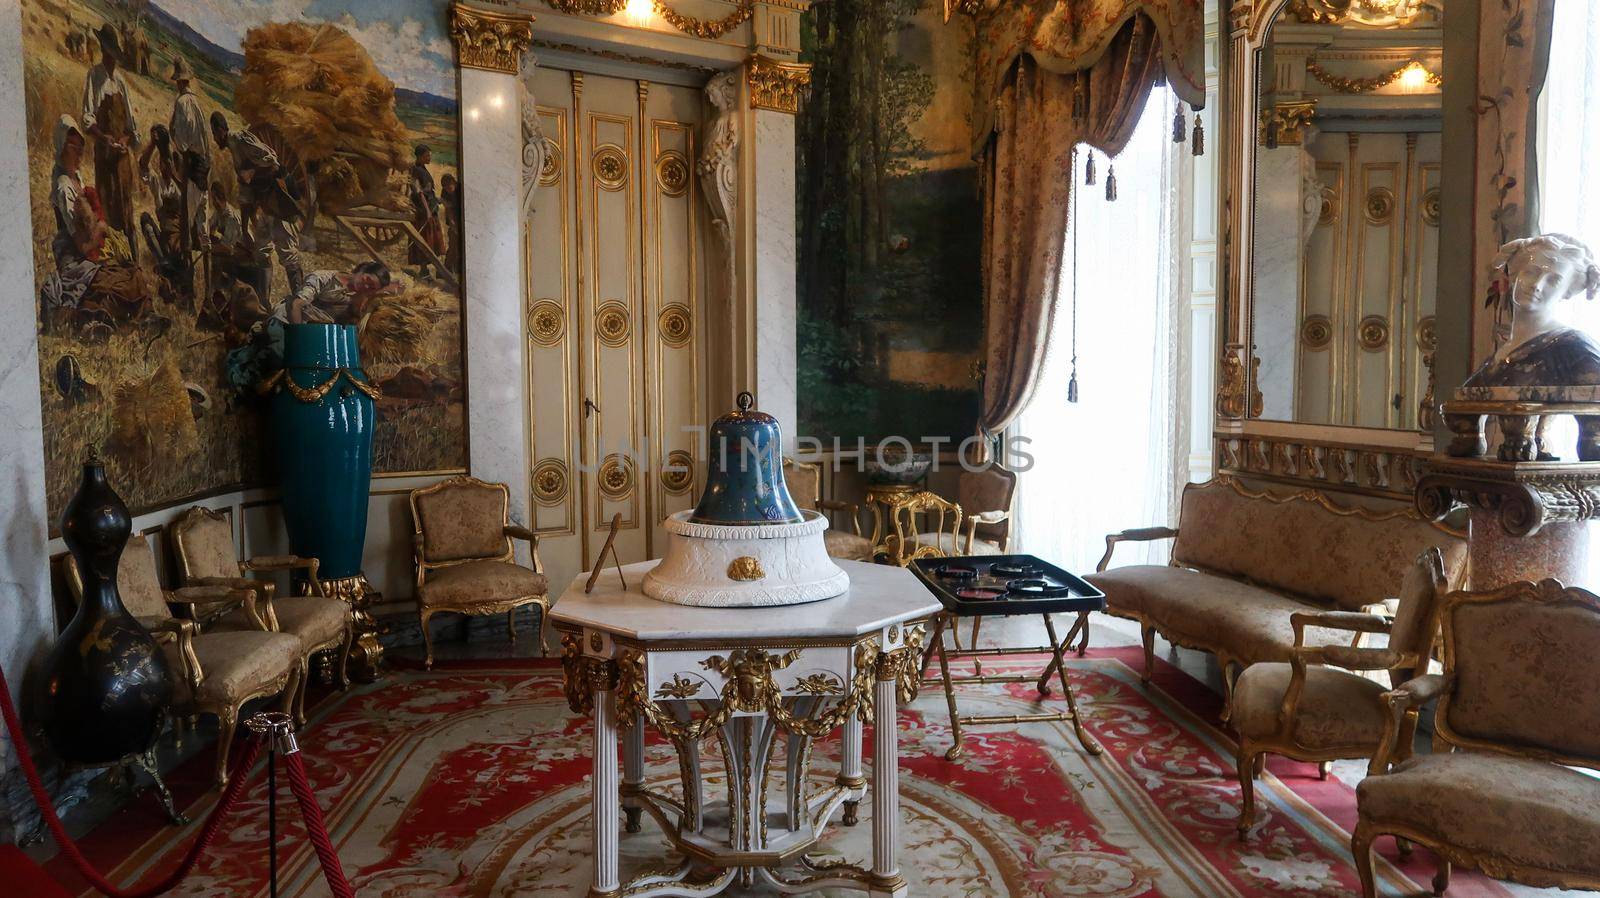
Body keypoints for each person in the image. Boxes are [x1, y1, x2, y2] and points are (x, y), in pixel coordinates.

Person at [1465, 234, 1600, 389]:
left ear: (1567, 292)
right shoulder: (1502, 354)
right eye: (1531, 272)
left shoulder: (1573, 349)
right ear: (1514, 277)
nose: (1537, 284)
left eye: (1553, 280)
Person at [210, 111, 305, 294]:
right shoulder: (233, 150)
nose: (214, 139)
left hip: (277, 203)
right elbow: (245, 195)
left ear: (221, 130)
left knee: (287, 253)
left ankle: (300, 300)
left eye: (214, 134)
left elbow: (272, 161)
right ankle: (264, 302)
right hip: (265, 208)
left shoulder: (240, 139)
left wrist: (252, 173)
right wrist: (245, 228)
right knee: (261, 252)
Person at [81, 23, 139, 259]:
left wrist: (125, 140)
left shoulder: (122, 82)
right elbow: (86, 116)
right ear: (104, 50)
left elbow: (132, 125)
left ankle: (133, 260)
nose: (112, 58)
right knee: (106, 205)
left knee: (126, 210)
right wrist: (101, 136)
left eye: (115, 54)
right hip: (104, 156)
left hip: (121, 158)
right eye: (109, 52)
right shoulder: (94, 75)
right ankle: (111, 259)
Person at [48, 115, 105, 271]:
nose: (80, 153)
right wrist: (100, 228)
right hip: (74, 255)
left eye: (81, 148)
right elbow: (82, 246)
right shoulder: (64, 187)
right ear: (62, 147)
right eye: (75, 148)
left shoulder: (76, 176)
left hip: (90, 244)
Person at [168, 57, 210, 250]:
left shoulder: (182, 103)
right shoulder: (197, 104)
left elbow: (182, 143)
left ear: (179, 82)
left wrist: (172, 133)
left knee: (187, 220)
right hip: (203, 166)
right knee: (203, 225)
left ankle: (186, 264)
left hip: (191, 166)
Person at [280, 261, 393, 324]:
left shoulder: (355, 297)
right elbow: (296, 304)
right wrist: (298, 335)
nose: (366, 286)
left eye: (371, 288)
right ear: (362, 270)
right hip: (287, 320)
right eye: (367, 279)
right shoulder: (322, 278)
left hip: (316, 329)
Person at [408, 144, 445, 279]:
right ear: (419, 156)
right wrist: (427, 211)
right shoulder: (414, 170)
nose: (429, 157)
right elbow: (419, 192)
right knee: (425, 238)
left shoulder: (423, 169)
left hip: (431, 206)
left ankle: (436, 269)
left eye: (429, 155)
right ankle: (424, 270)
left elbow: (428, 190)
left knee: (434, 238)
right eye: (427, 155)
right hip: (423, 209)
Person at [439, 172, 461, 275]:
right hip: (453, 221)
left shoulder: (460, 190)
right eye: (445, 187)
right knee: (453, 246)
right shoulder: (445, 192)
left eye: (449, 186)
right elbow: (448, 209)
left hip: (462, 220)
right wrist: (452, 223)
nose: (448, 189)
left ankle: (457, 270)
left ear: (454, 183)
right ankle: (446, 271)